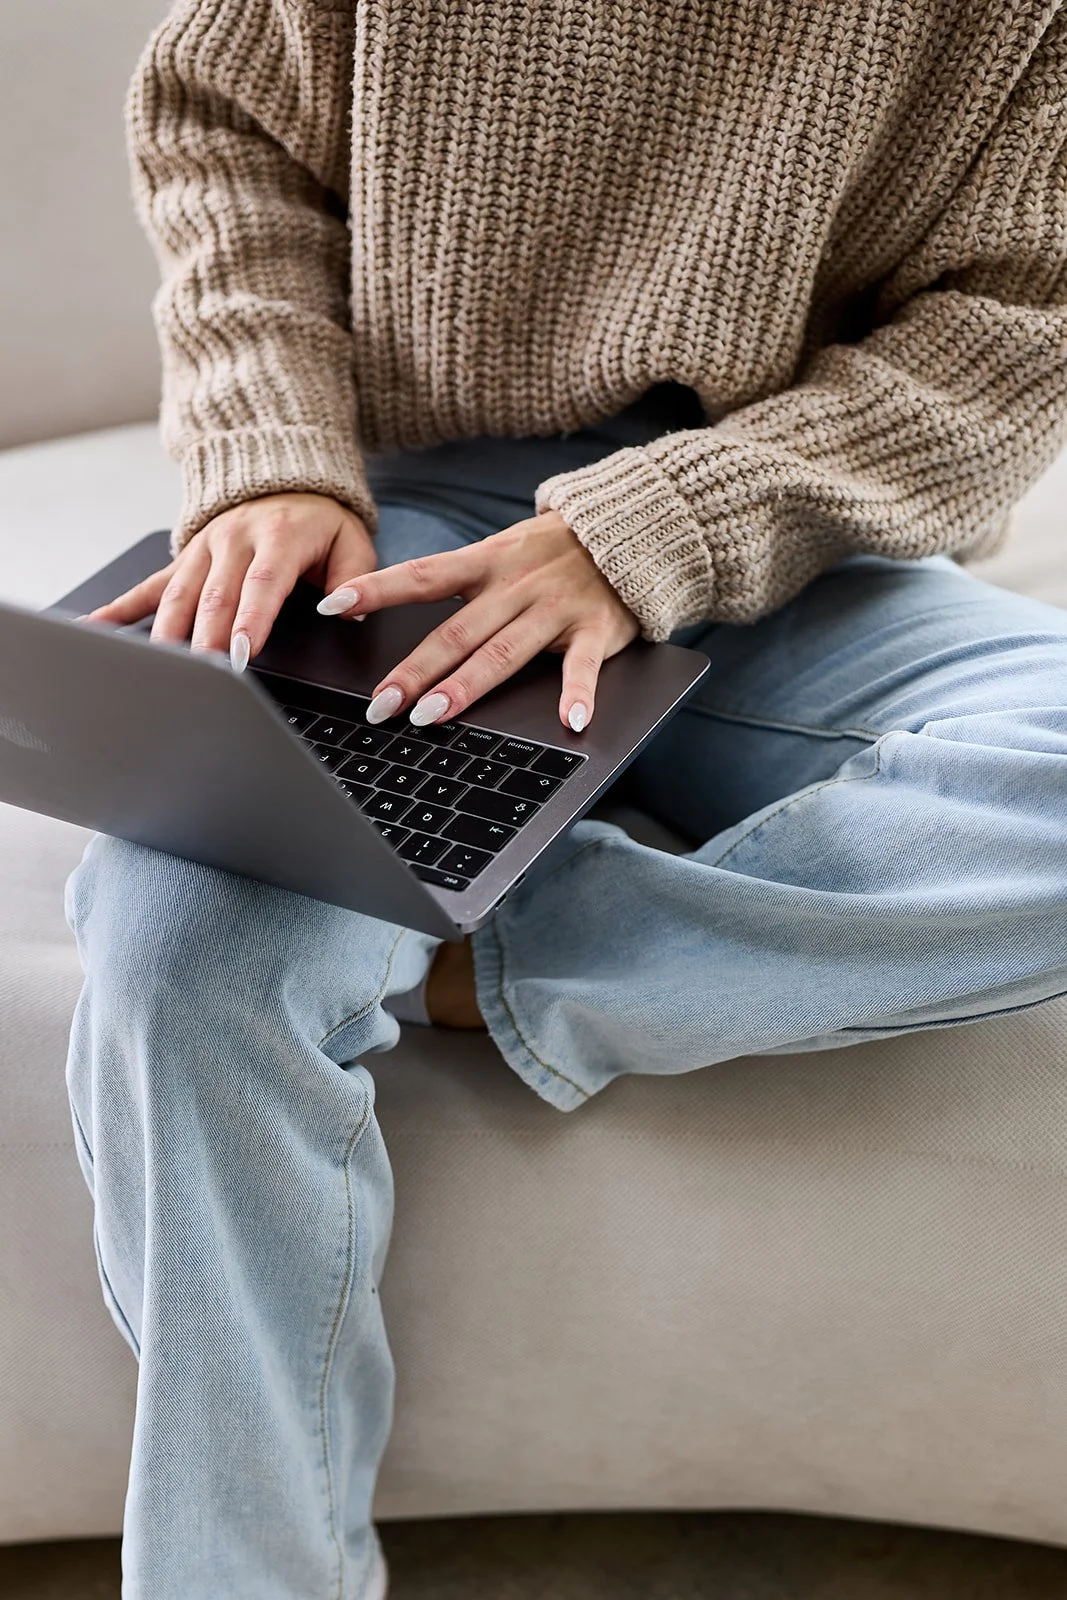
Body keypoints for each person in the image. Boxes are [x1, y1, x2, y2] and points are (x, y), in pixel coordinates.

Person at [65, 1, 1067, 1594]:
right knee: (194, 949)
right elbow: (220, 117)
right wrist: (268, 454)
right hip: (413, 524)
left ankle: (484, 959)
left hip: (798, 539)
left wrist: (648, 526)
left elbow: (1016, 318)